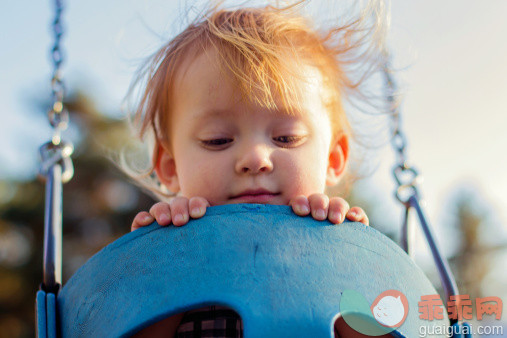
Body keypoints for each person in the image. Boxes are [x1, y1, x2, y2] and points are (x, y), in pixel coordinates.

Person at [121, 1, 386, 336]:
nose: (255, 158)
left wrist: (347, 262)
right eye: (217, 140)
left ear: (334, 158)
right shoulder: (171, 254)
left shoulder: (334, 253)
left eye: (286, 137)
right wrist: (162, 262)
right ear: (170, 167)